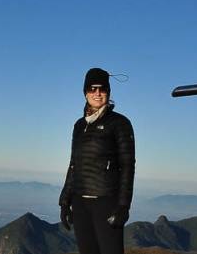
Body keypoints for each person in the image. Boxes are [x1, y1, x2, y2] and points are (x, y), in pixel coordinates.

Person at [59, 67, 135, 254]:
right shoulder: (79, 125)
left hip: (106, 201)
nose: (97, 93)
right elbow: (73, 164)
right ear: (85, 92)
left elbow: (127, 166)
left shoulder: (120, 123)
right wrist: (65, 201)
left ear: (108, 92)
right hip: (80, 202)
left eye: (102, 89)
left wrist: (123, 206)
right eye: (92, 89)